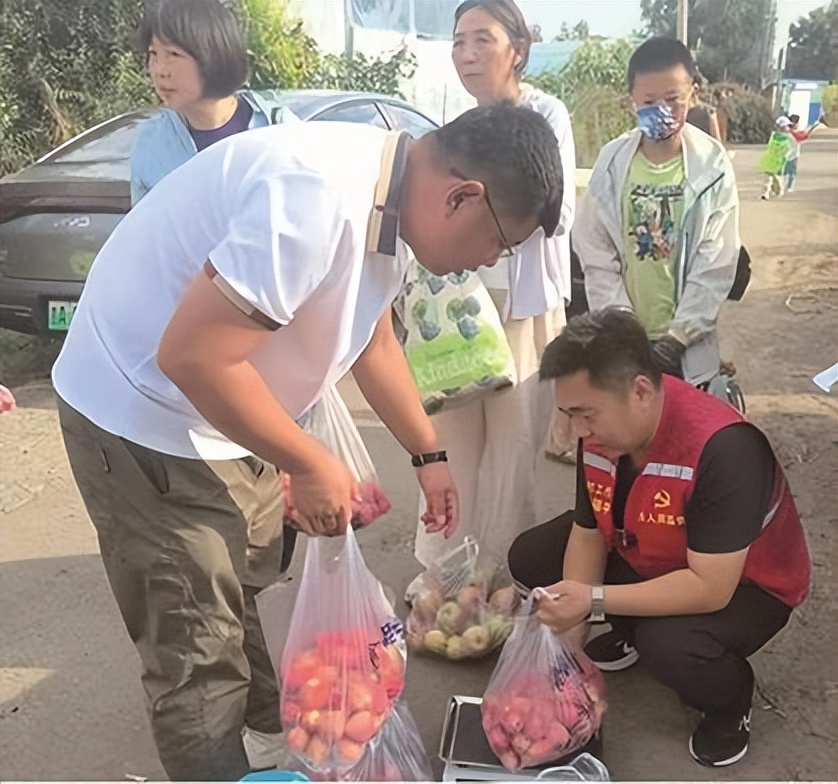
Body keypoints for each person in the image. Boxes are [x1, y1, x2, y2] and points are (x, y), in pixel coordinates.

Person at [51, 104, 563, 781]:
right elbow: (193, 357)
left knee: (255, 595)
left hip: (229, 413)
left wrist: (428, 454)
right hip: (146, 419)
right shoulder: (314, 198)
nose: (492, 259)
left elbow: (371, 338)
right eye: (500, 241)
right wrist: (309, 459)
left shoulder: (392, 199)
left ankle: (273, 747)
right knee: (198, 647)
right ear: (461, 197)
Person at [508, 308, 810, 768]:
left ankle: (730, 703)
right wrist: (566, 651)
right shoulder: (601, 433)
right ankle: (629, 631)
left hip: (746, 586)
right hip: (651, 548)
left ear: (641, 391)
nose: (577, 432)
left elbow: (711, 587)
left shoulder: (725, 449)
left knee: (669, 644)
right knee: (532, 558)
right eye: (569, 414)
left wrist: (592, 600)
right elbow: (589, 534)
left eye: (586, 414)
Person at [411, 0, 576, 591]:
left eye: (482, 39)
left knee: (512, 446)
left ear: (518, 49)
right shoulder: (456, 127)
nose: (468, 54)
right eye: (459, 41)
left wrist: (496, 224)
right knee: (452, 440)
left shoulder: (545, 116)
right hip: (455, 316)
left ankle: (502, 575)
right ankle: (444, 571)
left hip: (520, 310)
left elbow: (557, 214)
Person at [574, 38, 739, 387]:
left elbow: (717, 260)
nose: (662, 110)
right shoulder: (612, 163)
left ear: (693, 95)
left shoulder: (712, 166)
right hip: (625, 349)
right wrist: (624, 330)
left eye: (673, 99)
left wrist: (678, 338)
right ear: (631, 101)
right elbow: (595, 249)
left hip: (687, 351)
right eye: (649, 102)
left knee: (686, 420)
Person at [131, 0, 297, 205]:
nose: (159, 70)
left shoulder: (280, 130)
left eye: (173, 54)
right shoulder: (151, 145)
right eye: (153, 54)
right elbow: (145, 224)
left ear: (213, 54)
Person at [783, 113, 821, 193]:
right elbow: (801, 137)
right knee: (791, 172)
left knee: (785, 171)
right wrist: (809, 132)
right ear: (794, 123)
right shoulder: (792, 133)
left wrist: (808, 130)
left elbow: (800, 134)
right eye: (797, 123)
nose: (798, 124)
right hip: (792, 155)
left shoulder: (787, 131)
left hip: (785, 154)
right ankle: (788, 187)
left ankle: (782, 186)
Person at [760, 116, 793, 200]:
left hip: (770, 161)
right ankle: (768, 193)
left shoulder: (773, 136)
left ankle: (770, 192)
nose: (789, 128)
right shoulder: (785, 139)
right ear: (782, 127)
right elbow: (787, 151)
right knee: (771, 179)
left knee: (772, 179)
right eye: (787, 126)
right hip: (776, 162)